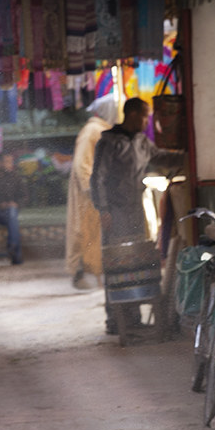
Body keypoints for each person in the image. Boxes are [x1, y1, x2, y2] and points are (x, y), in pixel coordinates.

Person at [90, 98, 185, 333]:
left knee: (135, 262)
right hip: (115, 211)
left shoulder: (142, 141)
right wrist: (104, 209)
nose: (146, 122)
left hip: (135, 209)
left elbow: (159, 157)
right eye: (145, 116)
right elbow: (98, 178)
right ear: (132, 115)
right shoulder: (109, 142)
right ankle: (115, 320)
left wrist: (186, 156)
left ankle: (133, 317)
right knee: (117, 262)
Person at [65, 95, 119, 290]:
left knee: (93, 236)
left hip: (97, 193)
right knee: (86, 234)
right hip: (89, 196)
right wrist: (93, 191)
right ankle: (84, 275)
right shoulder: (93, 131)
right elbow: (82, 164)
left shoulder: (100, 129)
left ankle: (94, 276)